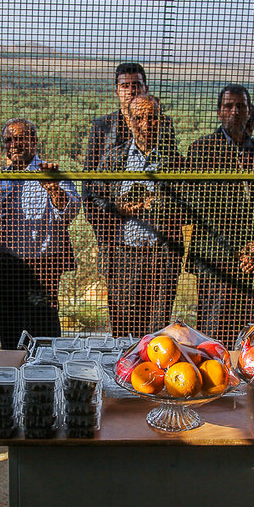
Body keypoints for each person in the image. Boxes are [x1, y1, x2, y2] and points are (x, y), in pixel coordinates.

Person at [184, 84, 254, 346]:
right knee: (215, 335)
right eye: (229, 106)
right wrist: (235, 251)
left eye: (240, 106)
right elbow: (200, 210)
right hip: (217, 262)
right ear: (219, 113)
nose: (234, 112)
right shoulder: (201, 151)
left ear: (249, 111)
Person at [83, 62, 177, 331]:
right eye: (126, 85)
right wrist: (106, 227)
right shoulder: (102, 128)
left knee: (155, 322)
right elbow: (91, 186)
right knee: (123, 318)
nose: (131, 90)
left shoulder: (163, 125)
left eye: (136, 84)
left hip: (157, 242)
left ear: (145, 87)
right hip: (119, 241)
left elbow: (171, 172)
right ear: (117, 91)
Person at [0, 118, 81, 348]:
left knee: (43, 332)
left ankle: (47, 381)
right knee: (6, 334)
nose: (13, 144)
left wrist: (54, 191)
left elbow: (70, 211)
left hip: (42, 268)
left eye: (20, 138)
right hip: (5, 268)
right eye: (8, 140)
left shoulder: (51, 173)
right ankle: (9, 381)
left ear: (34, 142)